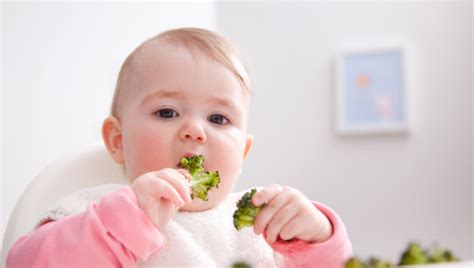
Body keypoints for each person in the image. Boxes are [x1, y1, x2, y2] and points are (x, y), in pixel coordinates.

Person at [6, 27, 352, 267]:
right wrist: (121, 223)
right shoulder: (94, 211)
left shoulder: (261, 225)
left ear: (243, 153)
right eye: (167, 112)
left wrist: (316, 239)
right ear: (118, 141)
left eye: (218, 119)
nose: (195, 131)